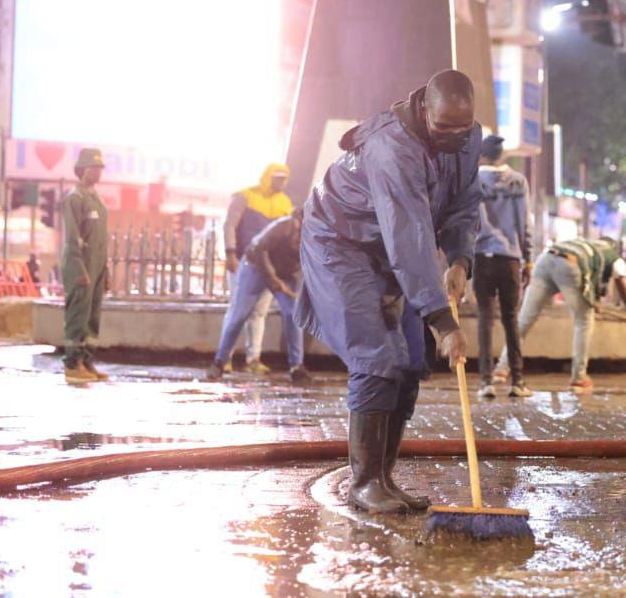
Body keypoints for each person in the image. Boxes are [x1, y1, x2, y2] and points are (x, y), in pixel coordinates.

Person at [294, 70, 481, 515]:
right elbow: (408, 235)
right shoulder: (392, 148)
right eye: (444, 129)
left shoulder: (467, 138)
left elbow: (465, 203)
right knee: (377, 357)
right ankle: (363, 484)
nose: (455, 137)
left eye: (463, 128)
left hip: (389, 251)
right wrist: (442, 321)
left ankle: (384, 477)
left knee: (411, 360)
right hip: (340, 244)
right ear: (423, 110)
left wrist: (459, 259)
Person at [510, 236, 626, 391]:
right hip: (569, 265)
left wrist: (592, 302)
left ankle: (501, 369)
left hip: (545, 259)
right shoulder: (613, 258)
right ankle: (579, 378)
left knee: (524, 320)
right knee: (584, 321)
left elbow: (589, 280)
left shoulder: (585, 246)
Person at [208, 209, 310, 384]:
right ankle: (219, 362)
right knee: (240, 314)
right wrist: (272, 278)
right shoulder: (284, 226)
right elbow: (261, 249)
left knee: (293, 315)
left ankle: (296, 367)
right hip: (255, 266)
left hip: (285, 272)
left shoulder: (318, 235)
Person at [472, 134, 533, 400]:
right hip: (510, 258)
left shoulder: (472, 181)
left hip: (482, 257)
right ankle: (517, 382)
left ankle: (486, 382)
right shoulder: (518, 181)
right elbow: (525, 223)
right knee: (511, 319)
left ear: (482, 155)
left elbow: (468, 221)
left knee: (485, 318)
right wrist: (527, 258)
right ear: (501, 156)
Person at [222, 164, 293, 374]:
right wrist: (230, 252)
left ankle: (254, 359)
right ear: (267, 177)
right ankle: (225, 358)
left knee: (259, 312)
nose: (280, 182)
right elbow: (230, 225)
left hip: (267, 265)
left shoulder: (284, 203)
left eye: (284, 178)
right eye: (277, 178)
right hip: (243, 260)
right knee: (237, 309)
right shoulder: (245, 196)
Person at [61, 149, 110, 383]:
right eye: (94, 167)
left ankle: (87, 362)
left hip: (97, 266)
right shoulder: (74, 198)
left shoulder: (97, 200)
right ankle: (72, 364)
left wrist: (105, 270)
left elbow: (101, 239)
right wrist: (79, 268)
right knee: (78, 314)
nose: (98, 172)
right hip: (79, 265)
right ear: (82, 170)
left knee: (93, 316)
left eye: (100, 167)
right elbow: (72, 238)